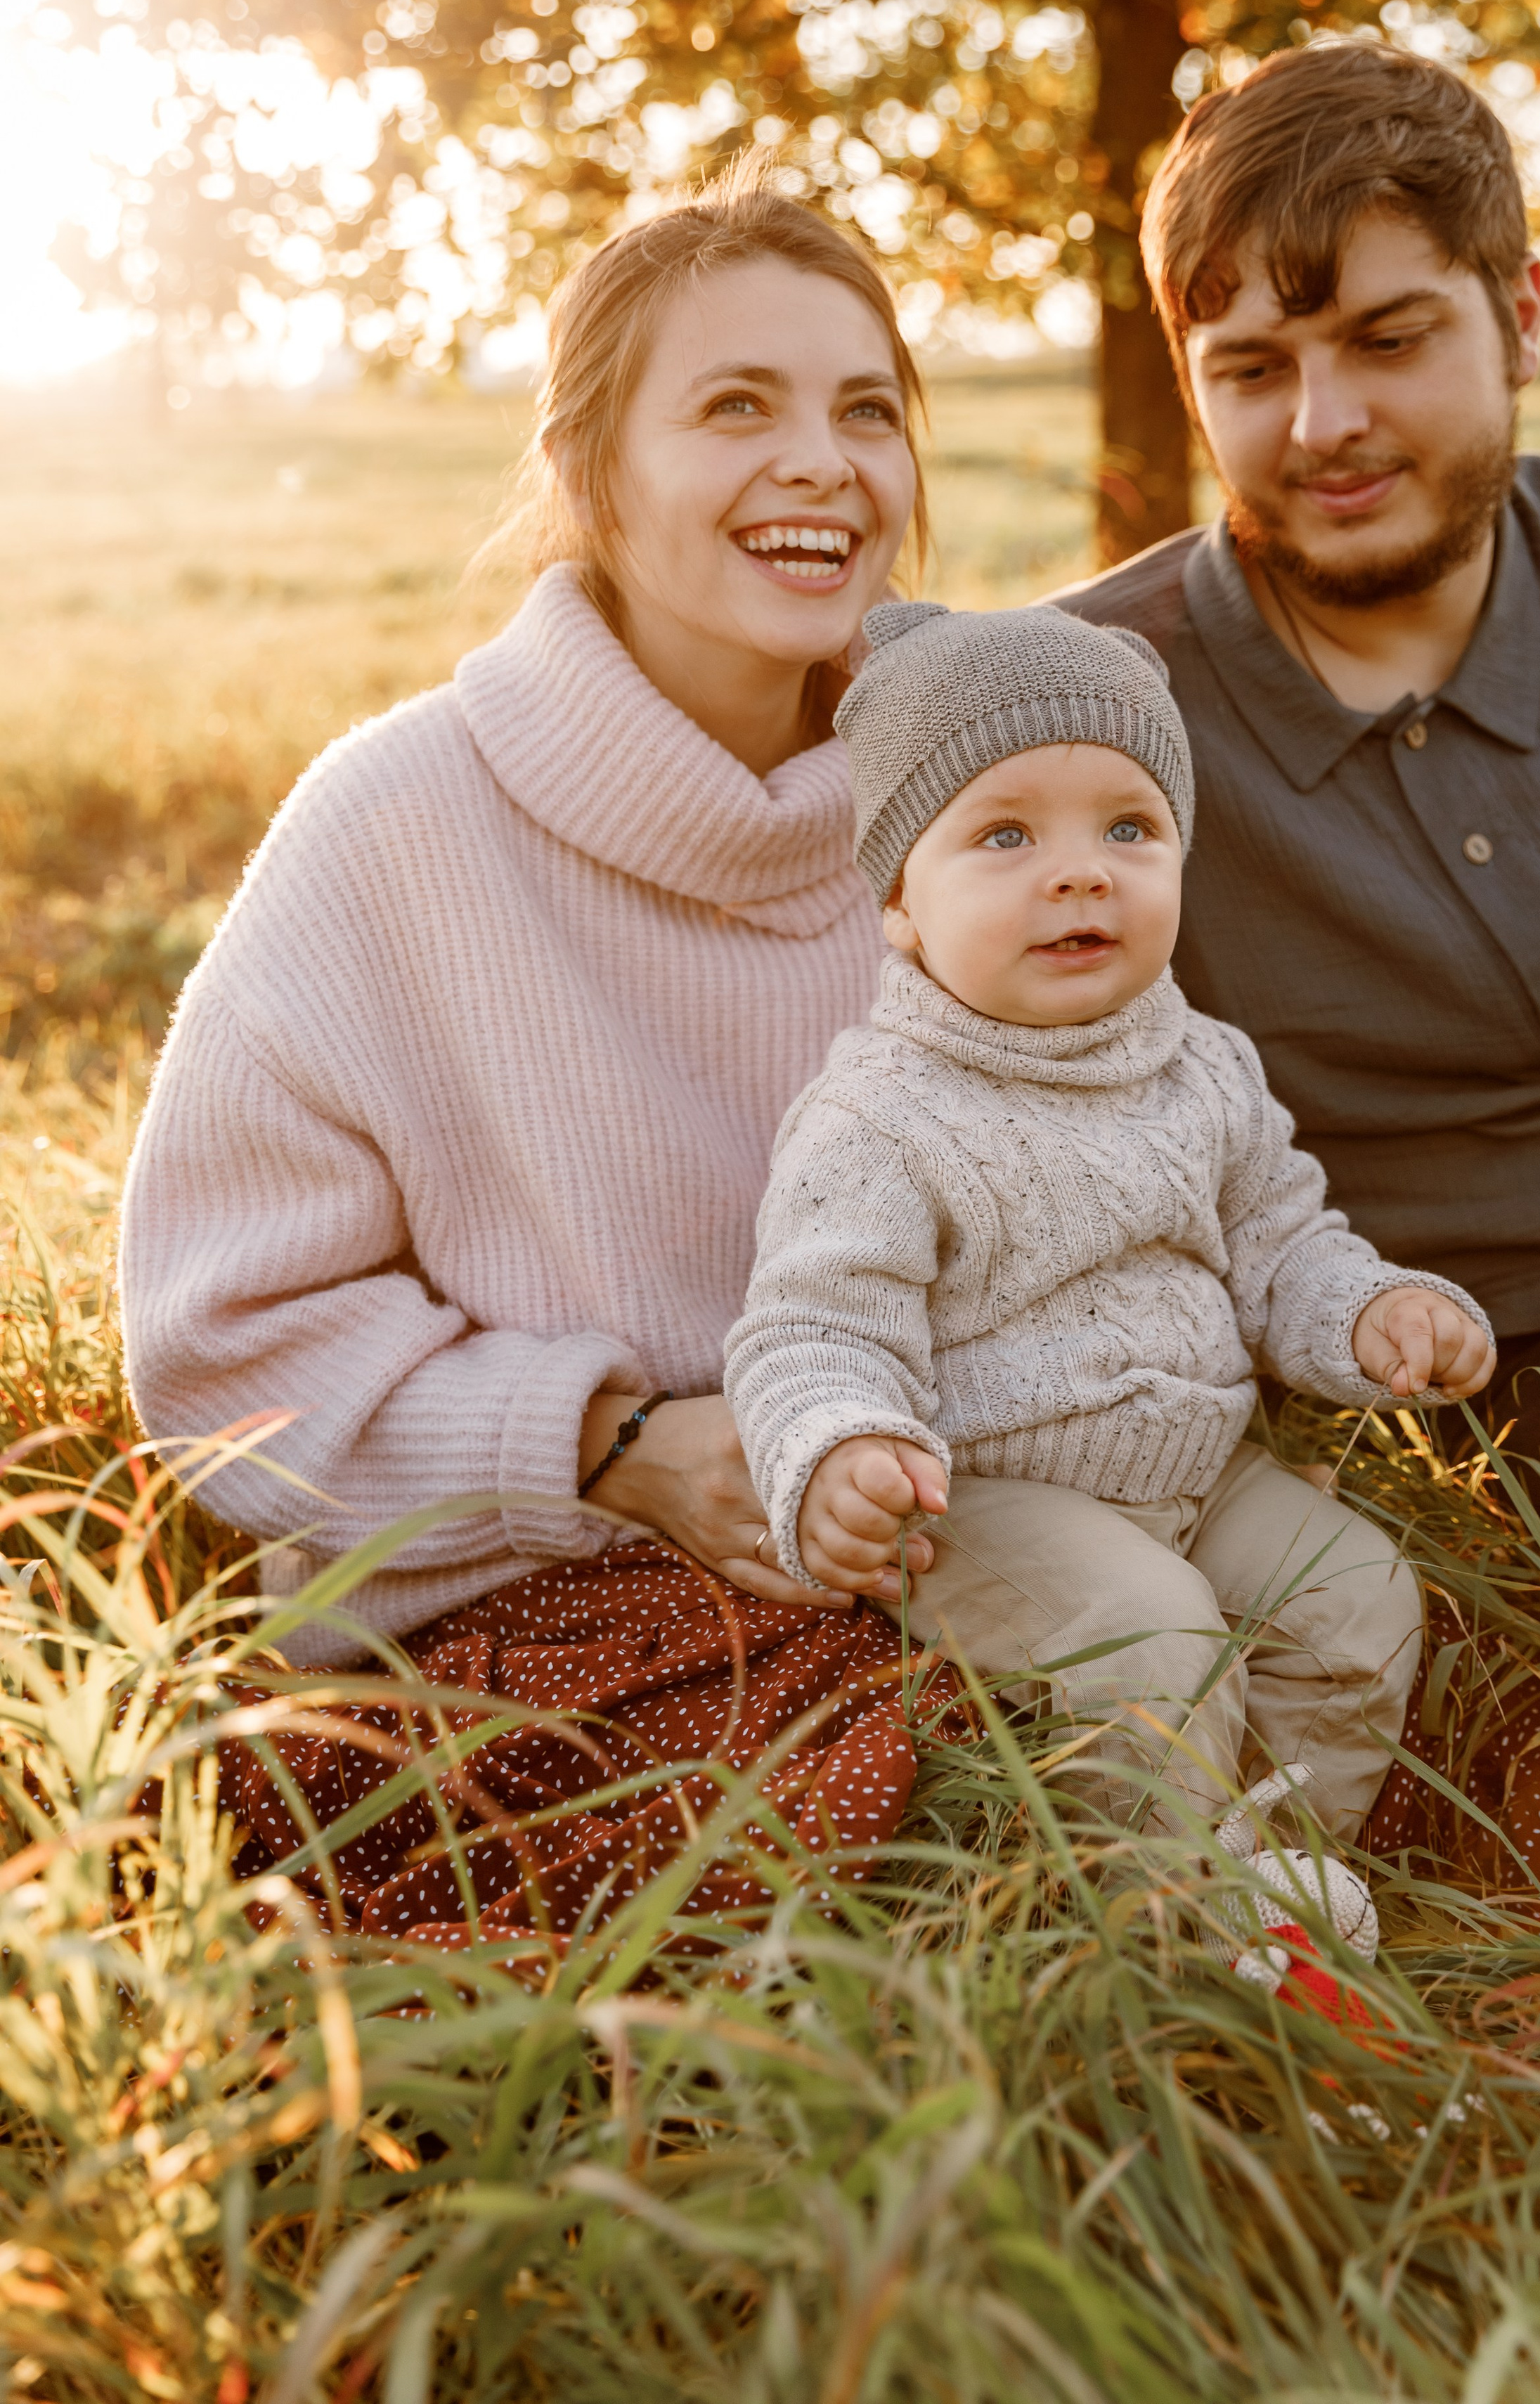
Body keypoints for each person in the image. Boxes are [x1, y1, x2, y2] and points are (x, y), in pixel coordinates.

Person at [116, 170, 956, 1935]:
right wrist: (611, 1443)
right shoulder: (393, 826)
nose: (821, 461)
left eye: (864, 409)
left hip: (928, 1549)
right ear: (587, 476)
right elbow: (217, 1360)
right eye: (737, 406)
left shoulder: (963, 814)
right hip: (520, 1611)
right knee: (913, 1774)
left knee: (1253, 1671)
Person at [1047, 41, 1540, 1696]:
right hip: (1530, 1340)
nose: (1324, 424)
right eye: (1251, 368)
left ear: (1518, 313)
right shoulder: (1089, 710)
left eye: (1389, 341)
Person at [725, 598, 1493, 1878]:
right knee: (1157, 1646)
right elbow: (814, 1324)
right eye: (1006, 833)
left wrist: (1366, 1315)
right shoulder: (880, 1115)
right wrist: (840, 1446)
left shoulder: (1203, 1066)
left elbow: (1281, 1245)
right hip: (991, 1501)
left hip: (1205, 1469)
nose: (1080, 870)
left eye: (1129, 829)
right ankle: (1153, 1942)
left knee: (1357, 1602)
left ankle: (1283, 1889)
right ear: (901, 904)